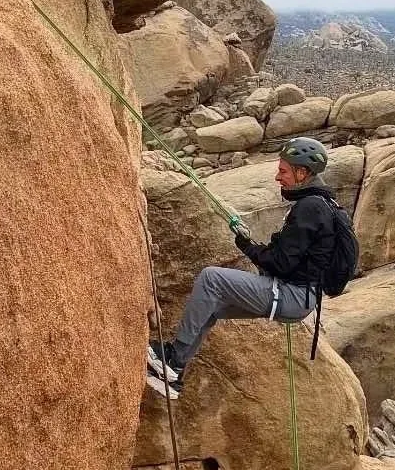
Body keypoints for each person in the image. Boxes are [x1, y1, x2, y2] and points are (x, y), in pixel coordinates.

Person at [145, 136, 343, 397]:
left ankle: (171, 358)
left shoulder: (310, 208)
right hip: (300, 298)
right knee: (212, 306)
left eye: (283, 171)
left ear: (302, 172)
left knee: (211, 279)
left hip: (290, 295)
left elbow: (281, 264)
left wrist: (247, 245)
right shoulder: (323, 205)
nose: (277, 177)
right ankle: (174, 372)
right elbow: (293, 256)